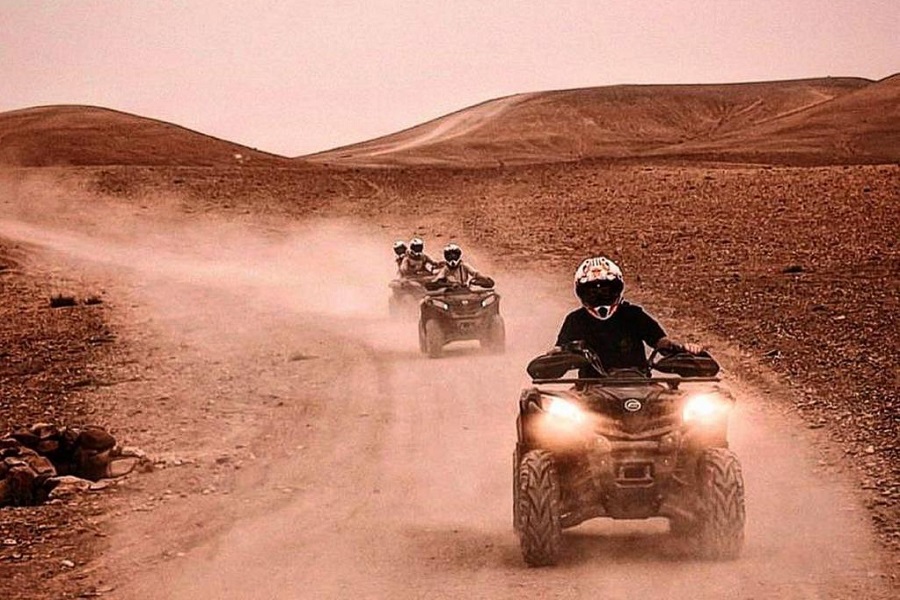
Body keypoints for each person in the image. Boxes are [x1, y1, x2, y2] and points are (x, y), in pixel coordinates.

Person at [555, 256, 702, 377]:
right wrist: (553, 357)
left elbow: (662, 345)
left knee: (689, 409)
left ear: (617, 289)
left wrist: (687, 350)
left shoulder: (634, 315)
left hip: (641, 386)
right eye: (593, 291)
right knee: (554, 411)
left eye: (605, 290)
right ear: (582, 293)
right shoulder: (575, 320)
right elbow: (559, 355)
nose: (599, 295)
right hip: (589, 392)